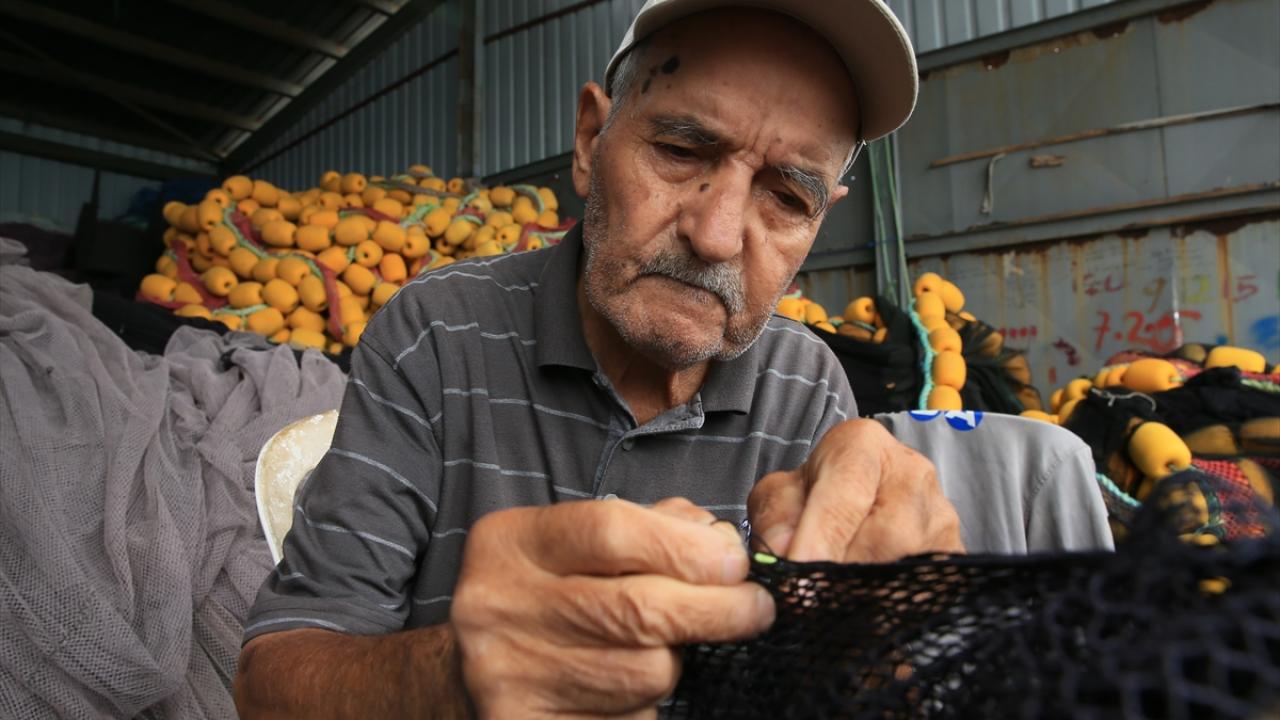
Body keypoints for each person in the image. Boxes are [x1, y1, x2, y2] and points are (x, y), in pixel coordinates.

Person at [234, 1, 965, 717]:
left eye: (785, 198)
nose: (715, 236)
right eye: (681, 153)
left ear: (819, 222)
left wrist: (897, 634)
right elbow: (272, 680)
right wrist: (454, 677)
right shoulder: (437, 334)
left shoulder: (806, 388)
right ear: (590, 141)